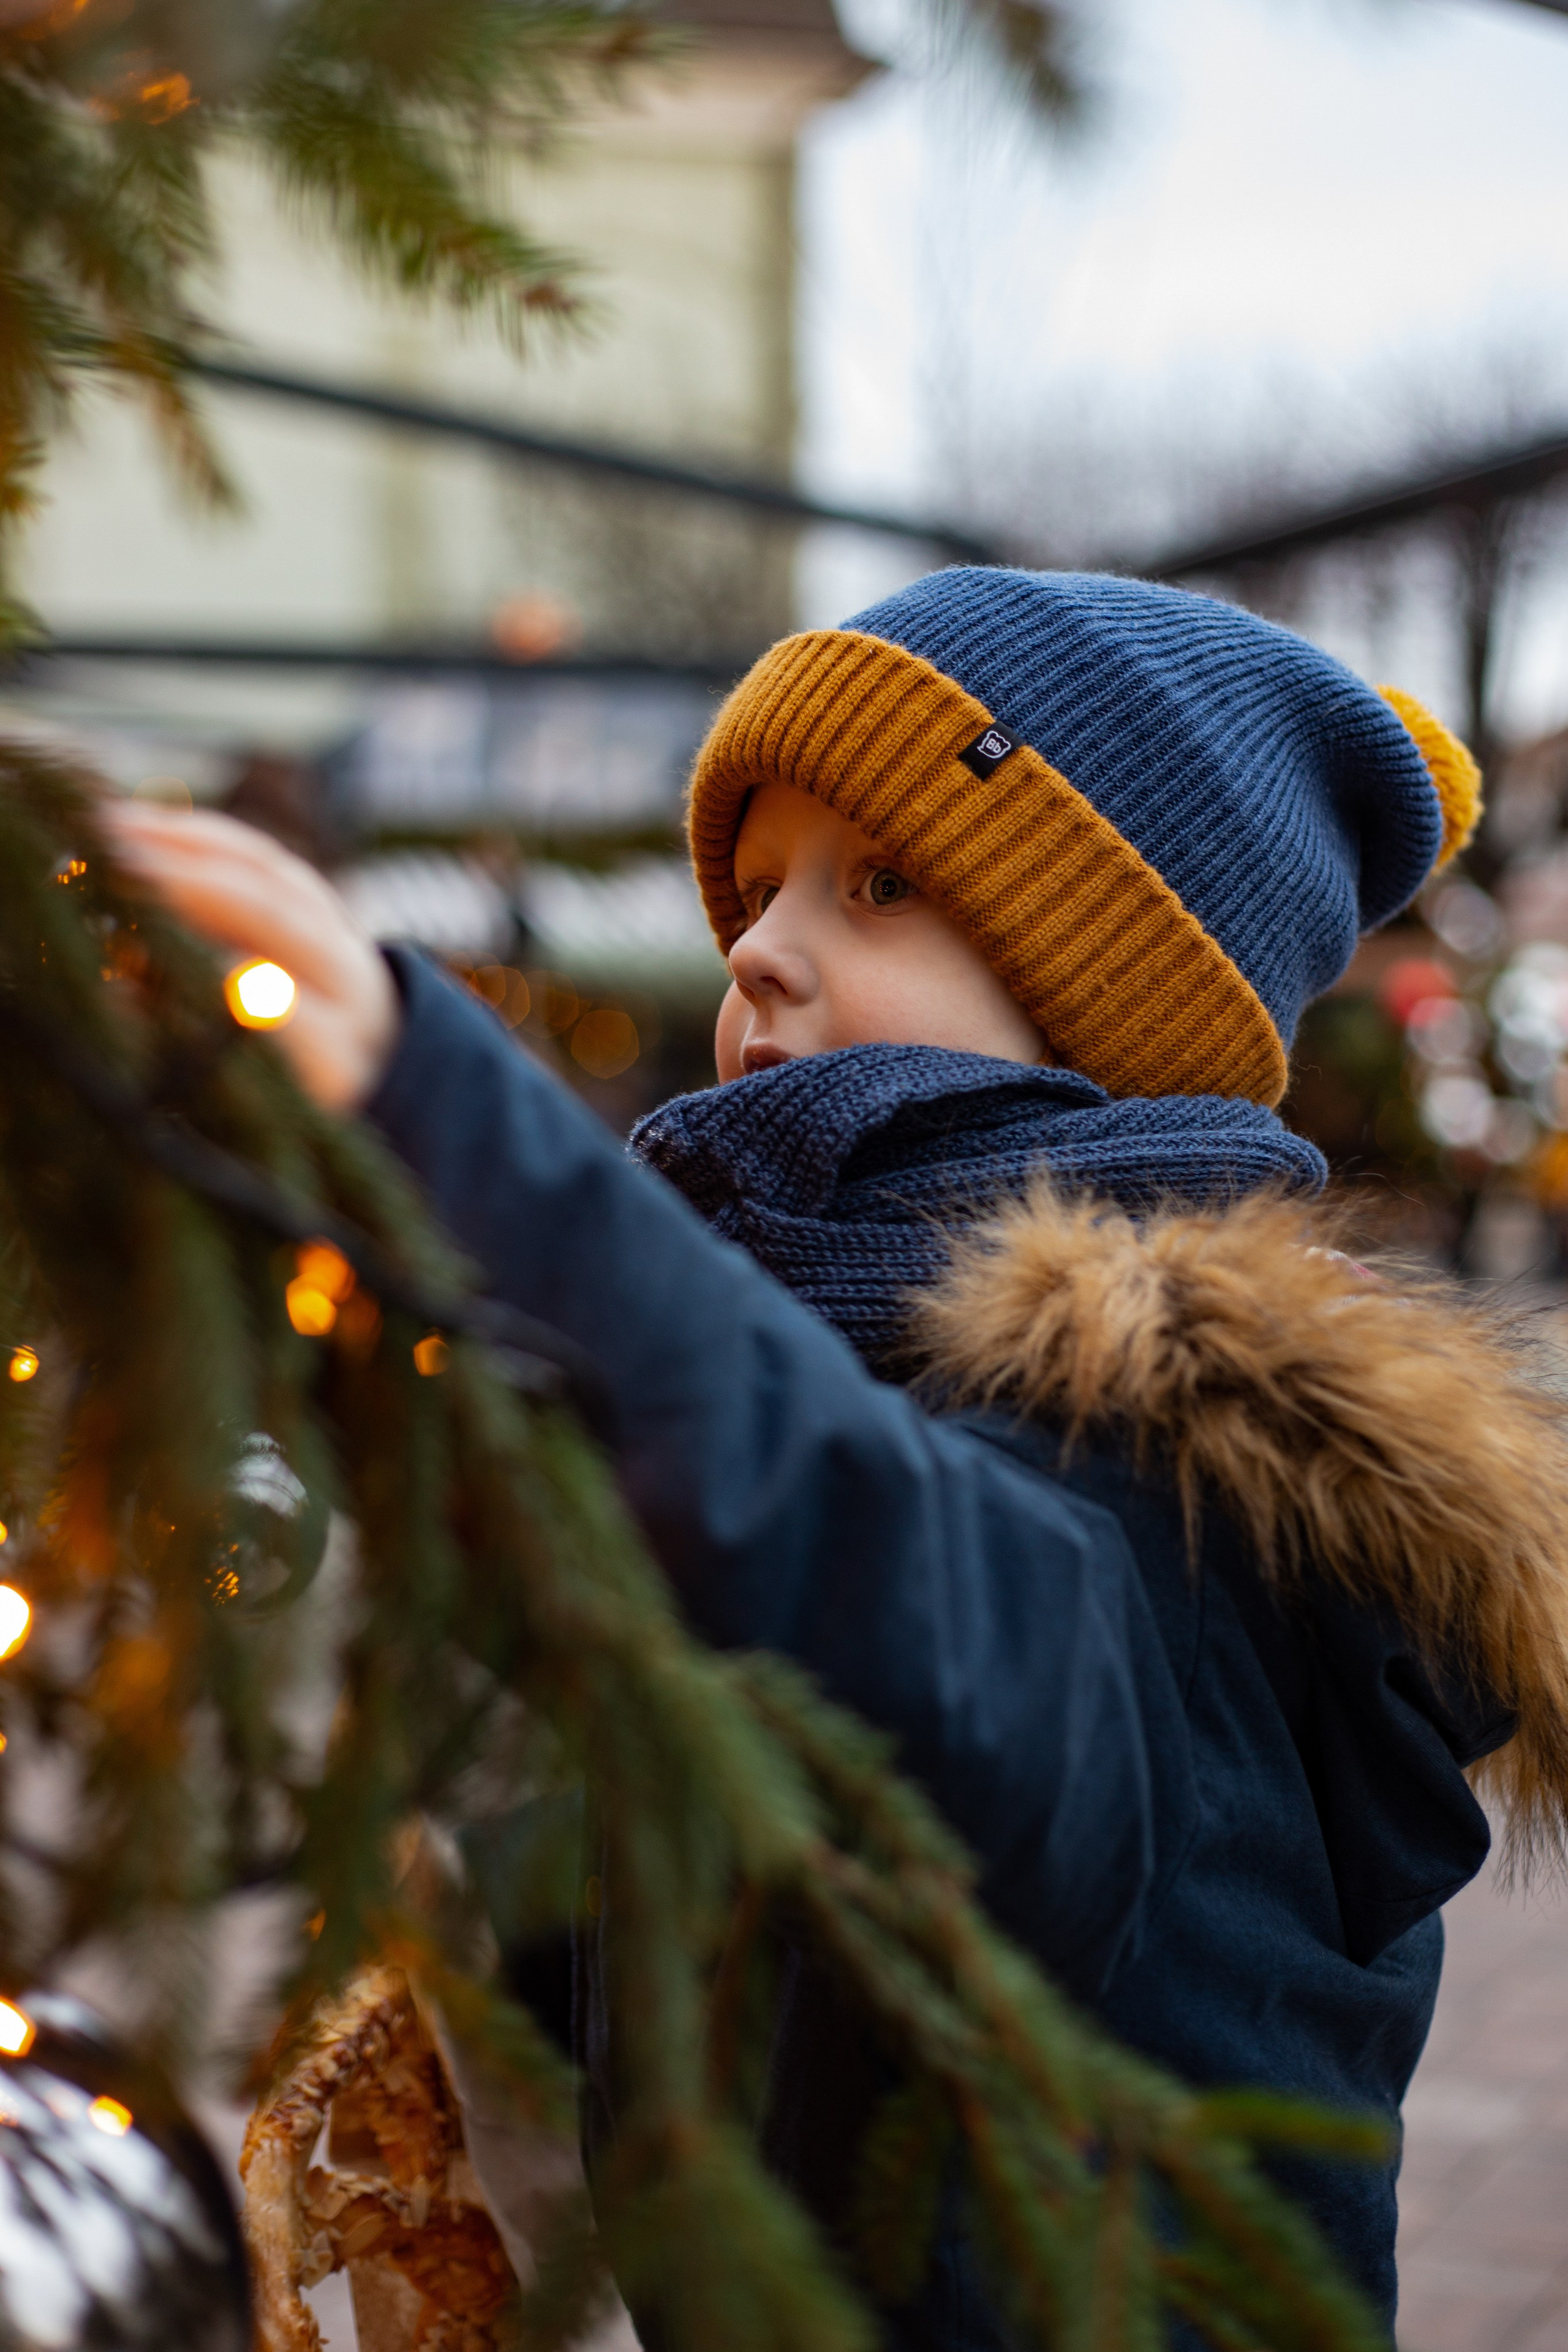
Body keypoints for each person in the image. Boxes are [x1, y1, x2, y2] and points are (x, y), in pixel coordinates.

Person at [105, 568, 1568, 2350]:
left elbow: (923, 1627)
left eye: (881, 884)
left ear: (1106, 1002)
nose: (758, 944)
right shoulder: (834, 1379)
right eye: (763, 881)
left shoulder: (1167, 1460)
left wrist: (452, 1128)